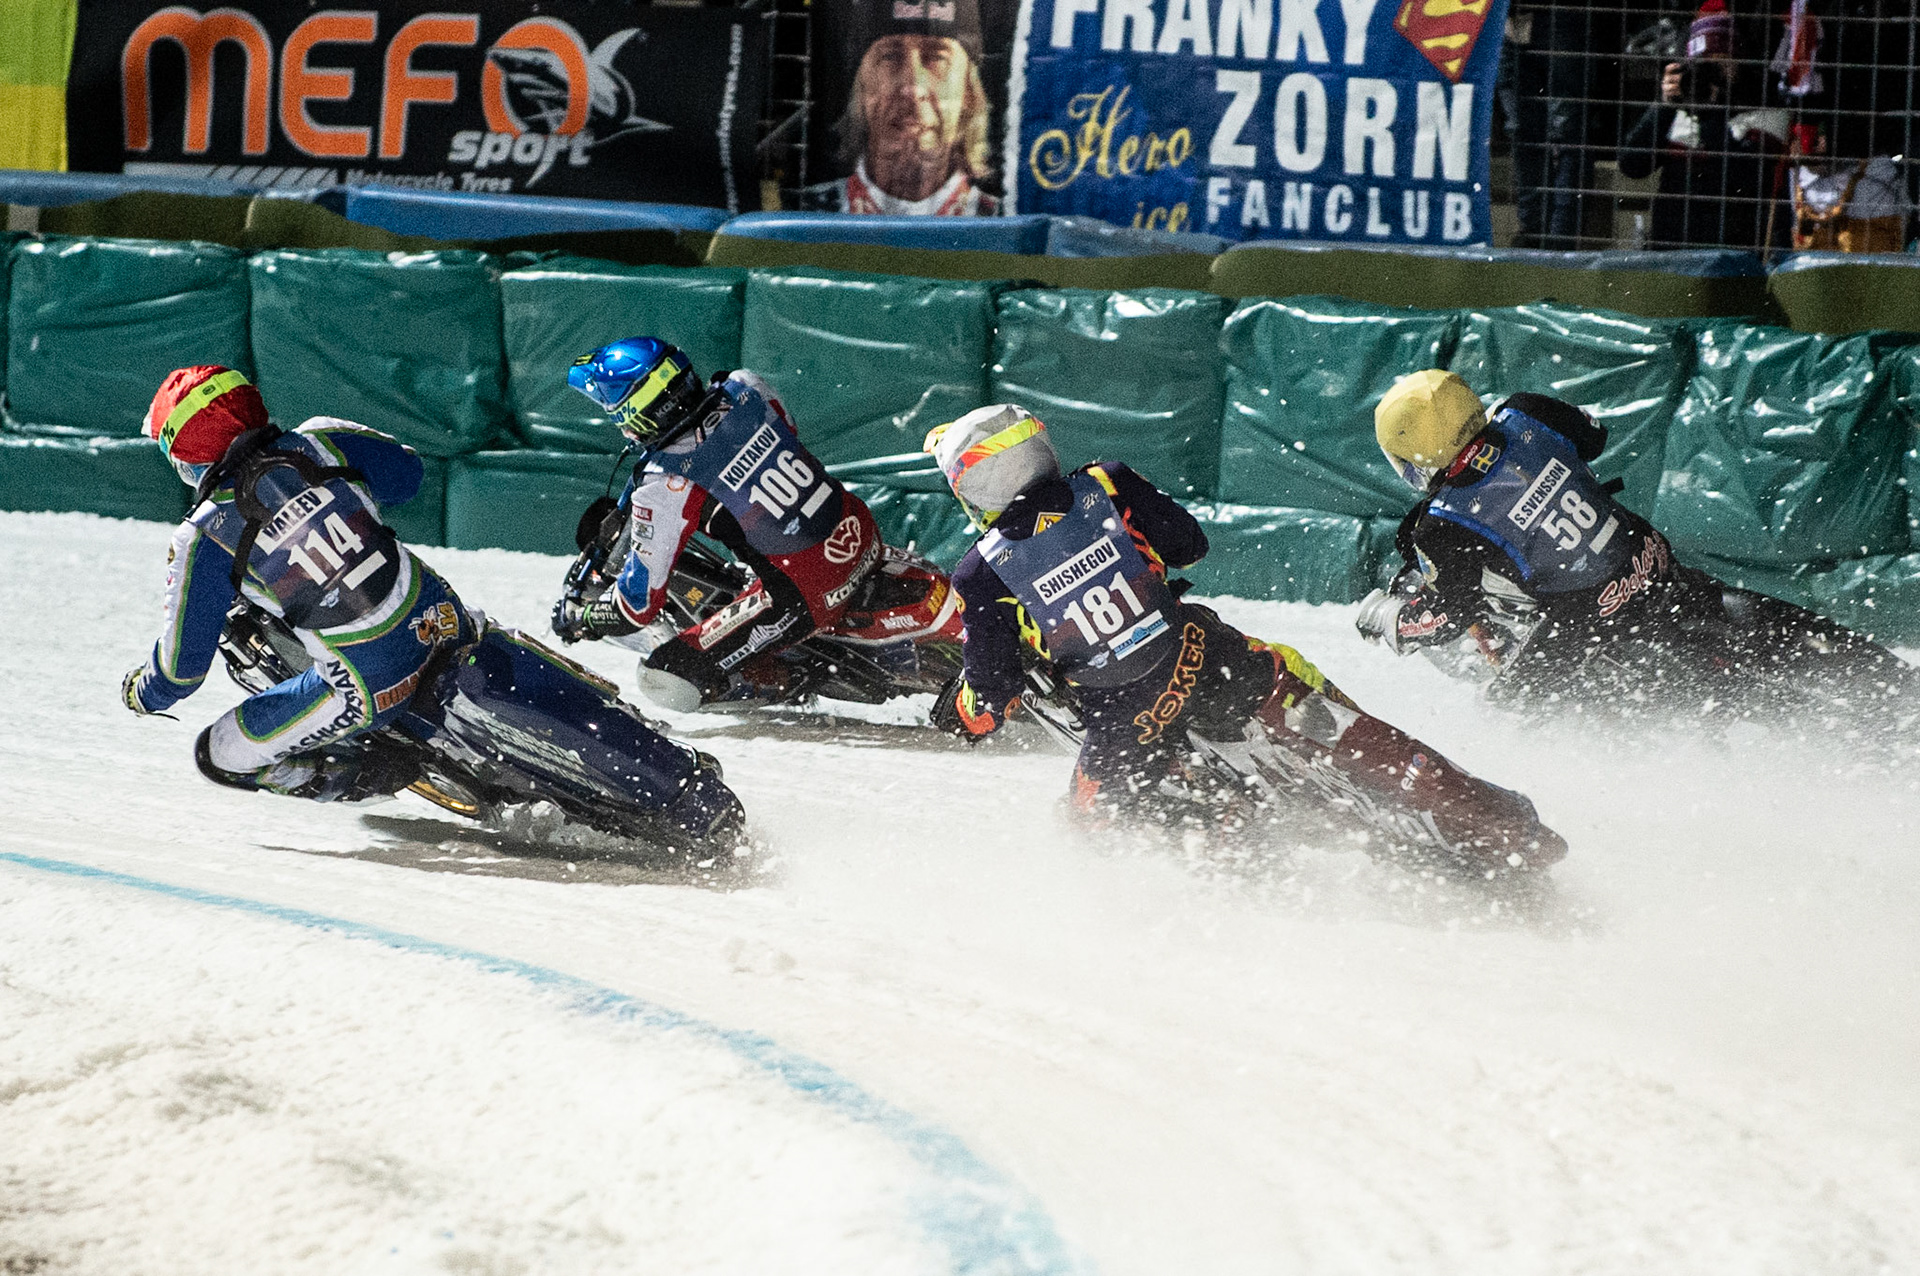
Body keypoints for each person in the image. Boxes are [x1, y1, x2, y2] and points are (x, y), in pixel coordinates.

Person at [923, 403, 1565, 867]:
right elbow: (1190, 546)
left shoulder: (982, 571)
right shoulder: (1107, 480)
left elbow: (992, 683)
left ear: (972, 484)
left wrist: (966, 713)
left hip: (1129, 718)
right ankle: (1505, 823)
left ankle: (1239, 867)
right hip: (1216, 657)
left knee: (1089, 829)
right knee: (1352, 733)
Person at [1358, 370, 1918, 720]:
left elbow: (1453, 615)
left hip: (1587, 623)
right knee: (1732, 608)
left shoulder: (1442, 523)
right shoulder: (1525, 411)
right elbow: (1593, 435)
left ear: (1412, 456)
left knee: (1509, 713)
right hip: (1647, 558)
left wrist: (1394, 621)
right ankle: (1890, 684)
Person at [121, 365, 474, 800]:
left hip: (372, 687)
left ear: (187, 453)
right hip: (447, 618)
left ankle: (358, 775)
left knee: (216, 754)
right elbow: (408, 476)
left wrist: (143, 692)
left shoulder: (204, 535)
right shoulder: (324, 439)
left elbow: (182, 672)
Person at [554, 337, 882, 711]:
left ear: (634, 413)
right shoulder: (747, 385)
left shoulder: (664, 481)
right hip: (860, 529)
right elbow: (787, 433)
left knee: (663, 676)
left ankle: (788, 677)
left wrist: (583, 618)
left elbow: (636, 607)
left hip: (808, 595)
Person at [795, 0, 1000, 216]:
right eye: (890, 56)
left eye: (937, 57)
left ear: (968, 92)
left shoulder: (1003, 224)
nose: (912, 89)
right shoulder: (805, 216)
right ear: (862, 87)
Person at [1616, 0, 1789, 251]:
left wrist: (1714, 109)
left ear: (1737, 61)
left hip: (1731, 251)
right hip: (1671, 250)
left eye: (1720, 61)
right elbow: (1631, 166)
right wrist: (1664, 106)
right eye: (1703, 63)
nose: (1710, 70)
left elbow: (1745, 177)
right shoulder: (1678, 108)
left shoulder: (1764, 108)